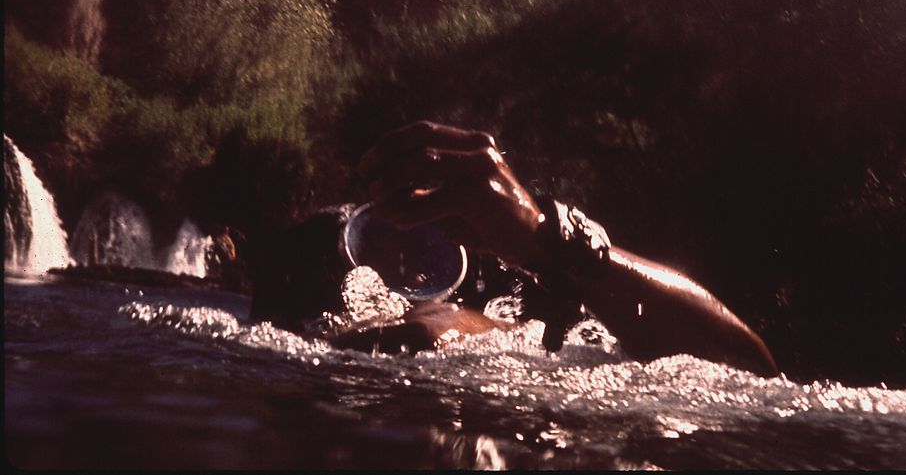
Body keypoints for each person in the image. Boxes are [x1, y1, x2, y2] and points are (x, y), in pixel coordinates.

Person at [250, 121, 778, 377]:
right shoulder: (303, 368)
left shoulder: (553, 358)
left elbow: (752, 376)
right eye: (369, 267)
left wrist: (545, 240)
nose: (406, 287)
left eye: (430, 259)